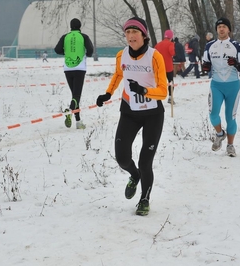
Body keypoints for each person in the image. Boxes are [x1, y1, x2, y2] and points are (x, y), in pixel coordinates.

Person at [95, 17, 167, 216]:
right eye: (127, 32)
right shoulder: (122, 55)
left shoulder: (155, 56)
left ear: (144, 35)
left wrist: (144, 90)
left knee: (146, 161)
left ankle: (144, 199)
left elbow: (163, 91)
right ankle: (134, 175)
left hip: (153, 113)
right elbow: (119, 74)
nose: (131, 36)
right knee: (122, 158)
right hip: (129, 112)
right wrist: (108, 93)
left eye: (135, 32)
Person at [201, 17, 240, 157]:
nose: (221, 29)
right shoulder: (209, 46)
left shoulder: (236, 45)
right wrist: (205, 67)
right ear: (216, 29)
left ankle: (230, 146)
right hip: (216, 85)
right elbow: (205, 64)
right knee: (213, 114)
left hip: (233, 85)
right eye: (219, 26)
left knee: (230, 117)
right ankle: (220, 134)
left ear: (229, 29)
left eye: (224, 27)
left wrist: (237, 65)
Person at [54, 18, 94, 129]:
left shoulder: (65, 37)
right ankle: (70, 110)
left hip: (67, 68)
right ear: (80, 26)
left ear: (70, 26)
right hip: (79, 68)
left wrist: (66, 52)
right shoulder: (84, 37)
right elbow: (90, 50)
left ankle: (78, 122)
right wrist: (86, 53)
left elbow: (57, 50)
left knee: (74, 96)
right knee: (76, 96)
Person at [155, 29, 175, 104]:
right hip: (168, 67)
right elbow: (172, 53)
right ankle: (170, 97)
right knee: (170, 82)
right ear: (171, 37)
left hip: (159, 67)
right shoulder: (170, 44)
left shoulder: (158, 45)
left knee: (159, 83)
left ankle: (157, 97)